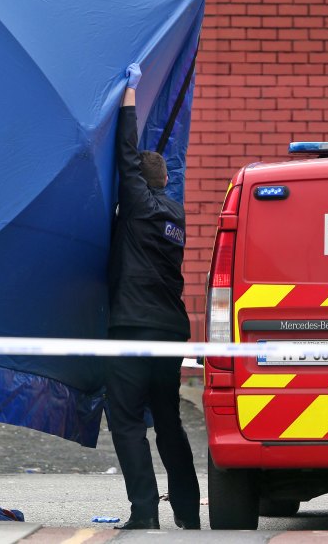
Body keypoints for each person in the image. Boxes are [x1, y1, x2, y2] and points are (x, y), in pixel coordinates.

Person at [105, 62, 200, 531]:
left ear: (142, 183)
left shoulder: (139, 206)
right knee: (168, 420)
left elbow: (126, 155)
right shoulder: (174, 214)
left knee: (124, 418)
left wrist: (128, 96)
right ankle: (186, 511)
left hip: (133, 327)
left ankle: (144, 511)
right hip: (169, 329)